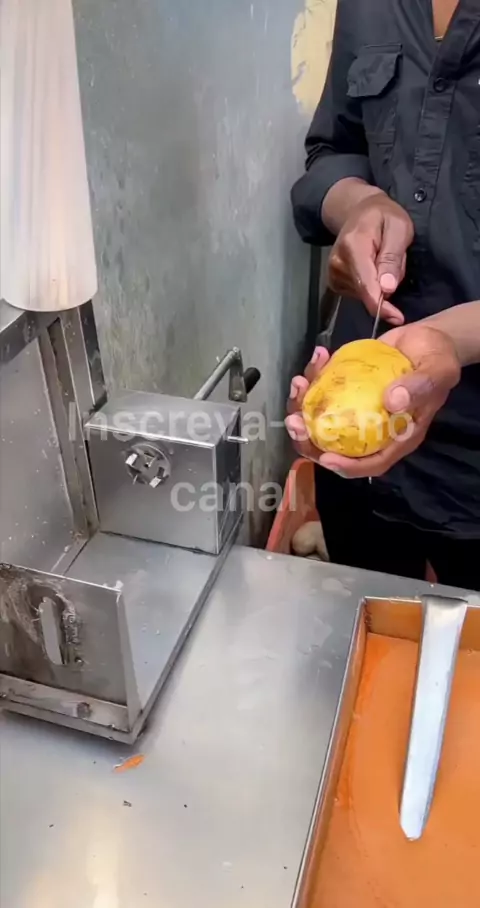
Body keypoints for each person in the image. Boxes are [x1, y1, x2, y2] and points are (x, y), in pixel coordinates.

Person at [287, 0, 480, 590]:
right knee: (363, 614)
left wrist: (449, 340)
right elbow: (335, 147)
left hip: (471, 471)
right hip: (354, 431)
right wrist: (358, 203)